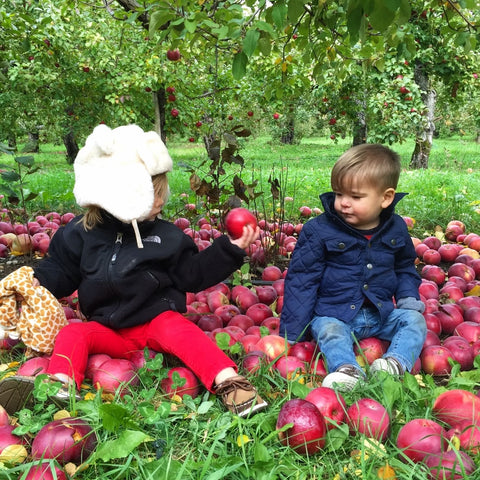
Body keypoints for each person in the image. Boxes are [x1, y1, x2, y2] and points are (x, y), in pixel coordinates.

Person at [0, 124, 267, 417]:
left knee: (183, 331)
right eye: (152, 194)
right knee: (73, 334)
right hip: (106, 329)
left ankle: (230, 383)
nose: (162, 201)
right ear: (117, 195)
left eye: (162, 191)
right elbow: (63, 269)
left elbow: (193, 273)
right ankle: (59, 386)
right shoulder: (80, 233)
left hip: (155, 323)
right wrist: (38, 280)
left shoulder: (166, 237)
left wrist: (228, 249)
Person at [280, 143, 426, 391]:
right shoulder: (319, 230)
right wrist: (292, 333)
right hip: (336, 313)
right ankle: (347, 370)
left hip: (382, 314)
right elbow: (303, 279)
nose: (343, 203)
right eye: (338, 194)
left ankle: (394, 364)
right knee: (328, 330)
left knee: (414, 320)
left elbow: (404, 268)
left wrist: (408, 297)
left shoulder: (396, 228)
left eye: (355, 197)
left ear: (386, 197)